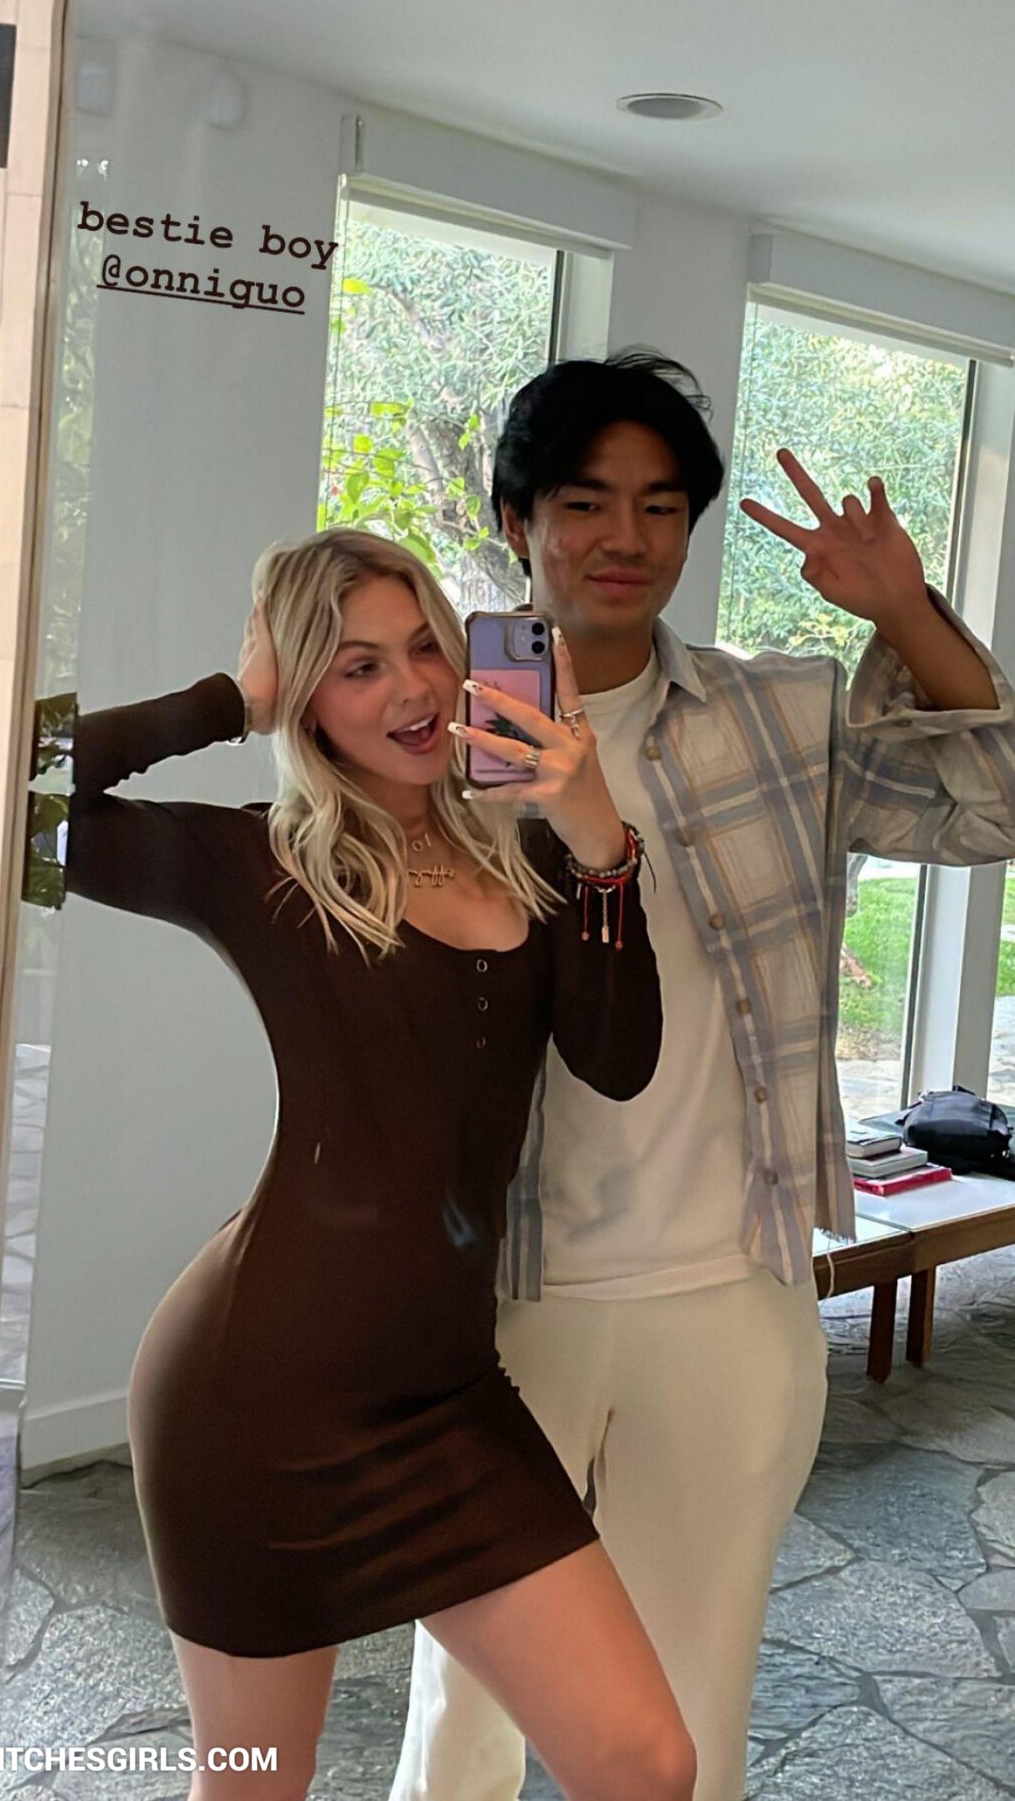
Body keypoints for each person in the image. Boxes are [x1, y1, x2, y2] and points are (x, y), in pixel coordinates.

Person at [390, 350, 1015, 1801]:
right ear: (516, 520)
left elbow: (991, 807)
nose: (625, 537)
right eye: (584, 501)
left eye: (661, 505)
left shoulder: (779, 712)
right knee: (463, 1699)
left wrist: (906, 613)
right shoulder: (434, 735)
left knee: (689, 1697)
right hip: (500, 1294)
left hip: (729, 1287)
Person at [44, 525, 699, 1801]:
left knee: (645, 1761)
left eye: (423, 649)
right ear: (304, 694)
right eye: (355, 666)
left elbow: (618, 1061)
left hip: (449, 1399)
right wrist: (229, 699)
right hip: (255, 1402)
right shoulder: (262, 861)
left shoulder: (536, 856)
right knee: (254, 1785)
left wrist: (597, 833)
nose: (410, 689)